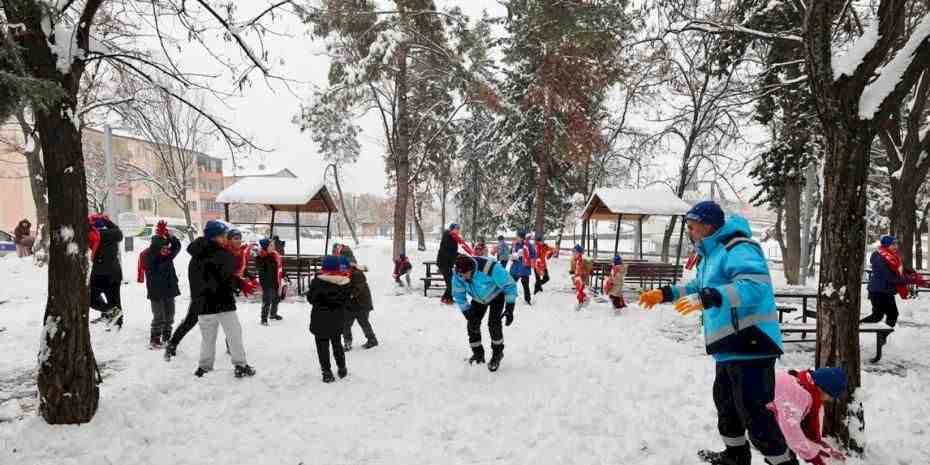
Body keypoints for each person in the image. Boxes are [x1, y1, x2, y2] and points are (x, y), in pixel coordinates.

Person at [638, 200, 793, 465]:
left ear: (708, 226)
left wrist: (711, 296)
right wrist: (665, 293)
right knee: (726, 406)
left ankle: (783, 463)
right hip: (729, 345)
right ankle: (735, 456)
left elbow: (754, 288)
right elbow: (698, 286)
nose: (689, 231)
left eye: (693, 226)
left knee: (755, 414)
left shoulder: (739, 248)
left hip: (752, 342)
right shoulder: (711, 254)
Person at [188, 220, 256, 378]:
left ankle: (204, 367)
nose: (226, 238)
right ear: (216, 236)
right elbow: (226, 277)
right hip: (223, 302)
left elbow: (195, 279)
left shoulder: (196, 255)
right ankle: (240, 365)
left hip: (204, 303)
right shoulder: (222, 254)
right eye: (224, 235)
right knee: (234, 334)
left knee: (207, 338)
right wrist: (241, 284)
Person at [767, 367, 847, 465]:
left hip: (757, 413)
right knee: (784, 459)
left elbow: (801, 429)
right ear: (823, 388)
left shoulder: (802, 383)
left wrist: (819, 447)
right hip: (749, 412)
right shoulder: (798, 394)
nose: (829, 400)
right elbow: (791, 433)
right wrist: (813, 457)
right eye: (830, 396)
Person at [452, 254, 518, 372]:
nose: (463, 278)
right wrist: (468, 314)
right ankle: (478, 354)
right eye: (460, 275)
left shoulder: (489, 267)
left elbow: (509, 284)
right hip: (478, 299)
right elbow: (459, 295)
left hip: (496, 295)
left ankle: (497, 353)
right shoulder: (458, 274)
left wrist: (509, 308)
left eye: (464, 275)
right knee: (472, 325)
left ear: (471, 269)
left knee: (493, 324)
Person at [307, 255, 351, 383]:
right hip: (336, 321)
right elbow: (346, 301)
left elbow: (310, 298)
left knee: (322, 348)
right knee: (337, 345)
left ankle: (326, 372)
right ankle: (342, 368)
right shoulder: (344, 282)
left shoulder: (317, 281)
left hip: (319, 321)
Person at [140, 223, 182, 348]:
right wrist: (161, 239)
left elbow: (177, 246)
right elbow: (155, 252)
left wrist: (169, 236)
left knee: (170, 316)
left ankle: (167, 335)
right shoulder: (149, 256)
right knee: (159, 316)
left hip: (170, 289)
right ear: (157, 247)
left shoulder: (168, 255)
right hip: (156, 292)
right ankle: (155, 338)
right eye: (163, 248)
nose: (166, 249)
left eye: (166, 247)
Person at [861, 235, 914, 327]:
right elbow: (887, 274)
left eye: (896, 244)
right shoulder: (879, 256)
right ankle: (857, 327)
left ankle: (882, 337)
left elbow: (895, 269)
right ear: (886, 245)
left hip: (885, 290)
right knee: (884, 315)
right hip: (879, 290)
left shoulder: (890, 255)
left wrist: (907, 271)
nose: (895, 246)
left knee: (883, 315)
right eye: (893, 244)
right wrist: (903, 278)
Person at [88, 214, 124, 328]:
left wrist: (90, 221)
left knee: (91, 298)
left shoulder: (94, 236)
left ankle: (110, 313)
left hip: (100, 274)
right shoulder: (115, 234)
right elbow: (117, 229)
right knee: (114, 299)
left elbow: (86, 229)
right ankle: (117, 322)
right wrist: (105, 220)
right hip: (115, 272)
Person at [437, 223, 475, 305]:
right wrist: (459, 255)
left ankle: (447, 298)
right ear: (452, 229)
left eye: (458, 229)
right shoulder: (448, 236)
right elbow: (448, 251)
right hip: (443, 263)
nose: (458, 230)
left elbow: (452, 251)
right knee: (450, 282)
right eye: (456, 229)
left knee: (451, 282)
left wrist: (460, 255)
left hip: (447, 263)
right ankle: (445, 299)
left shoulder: (452, 238)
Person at [256, 238, 284, 325]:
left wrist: (283, 275)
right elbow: (263, 268)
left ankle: (273, 314)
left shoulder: (275, 255)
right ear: (265, 247)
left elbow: (279, 268)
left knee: (276, 298)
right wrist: (267, 257)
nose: (273, 246)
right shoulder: (262, 256)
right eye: (271, 245)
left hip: (275, 281)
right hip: (267, 283)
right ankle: (263, 318)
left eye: (273, 245)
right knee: (267, 300)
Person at [509, 230, 537, 305]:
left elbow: (534, 255)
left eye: (517, 236)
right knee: (511, 283)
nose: (516, 237)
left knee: (525, 284)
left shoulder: (528, 245)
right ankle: (509, 297)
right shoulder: (515, 244)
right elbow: (511, 253)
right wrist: (513, 256)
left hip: (524, 268)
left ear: (521, 237)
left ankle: (527, 299)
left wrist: (525, 255)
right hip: (515, 267)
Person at [569, 244, 593, 311]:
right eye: (573, 252)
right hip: (578, 278)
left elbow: (581, 270)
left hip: (581, 279)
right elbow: (577, 269)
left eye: (575, 252)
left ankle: (585, 300)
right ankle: (581, 302)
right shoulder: (578, 260)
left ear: (579, 253)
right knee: (579, 292)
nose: (573, 254)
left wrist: (579, 275)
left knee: (579, 292)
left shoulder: (580, 260)